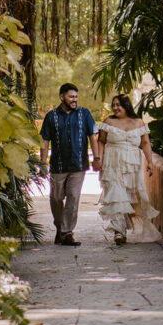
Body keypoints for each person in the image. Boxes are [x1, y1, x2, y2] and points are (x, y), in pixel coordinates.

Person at [95, 93, 160, 246]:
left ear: (127, 106)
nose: (115, 108)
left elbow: (145, 143)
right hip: (112, 163)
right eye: (114, 105)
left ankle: (123, 227)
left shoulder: (138, 123)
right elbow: (101, 141)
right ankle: (119, 231)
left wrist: (150, 162)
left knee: (129, 197)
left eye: (119, 105)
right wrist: (99, 159)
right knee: (116, 194)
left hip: (132, 164)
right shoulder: (108, 122)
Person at [40, 83, 100, 246]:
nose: (74, 100)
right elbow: (45, 140)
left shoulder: (84, 114)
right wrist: (42, 162)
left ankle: (67, 233)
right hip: (58, 165)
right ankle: (60, 229)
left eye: (76, 97)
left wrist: (97, 158)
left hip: (78, 165)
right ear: (62, 97)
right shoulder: (51, 116)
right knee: (56, 198)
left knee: (73, 197)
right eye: (71, 97)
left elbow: (93, 137)